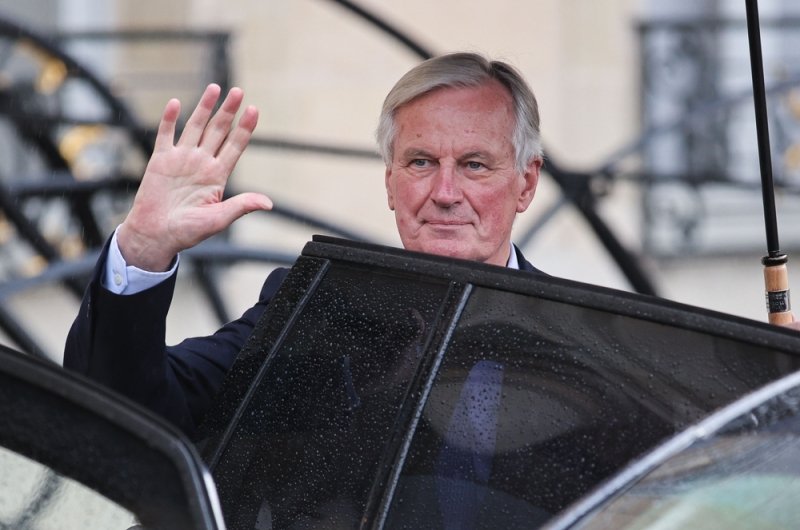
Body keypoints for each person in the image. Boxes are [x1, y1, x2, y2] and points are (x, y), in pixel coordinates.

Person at [63, 52, 545, 435]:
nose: (444, 193)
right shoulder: (317, 310)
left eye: (474, 165)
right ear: (390, 182)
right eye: (420, 162)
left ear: (526, 184)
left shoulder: (595, 337)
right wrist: (144, 249)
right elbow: (121, 415)